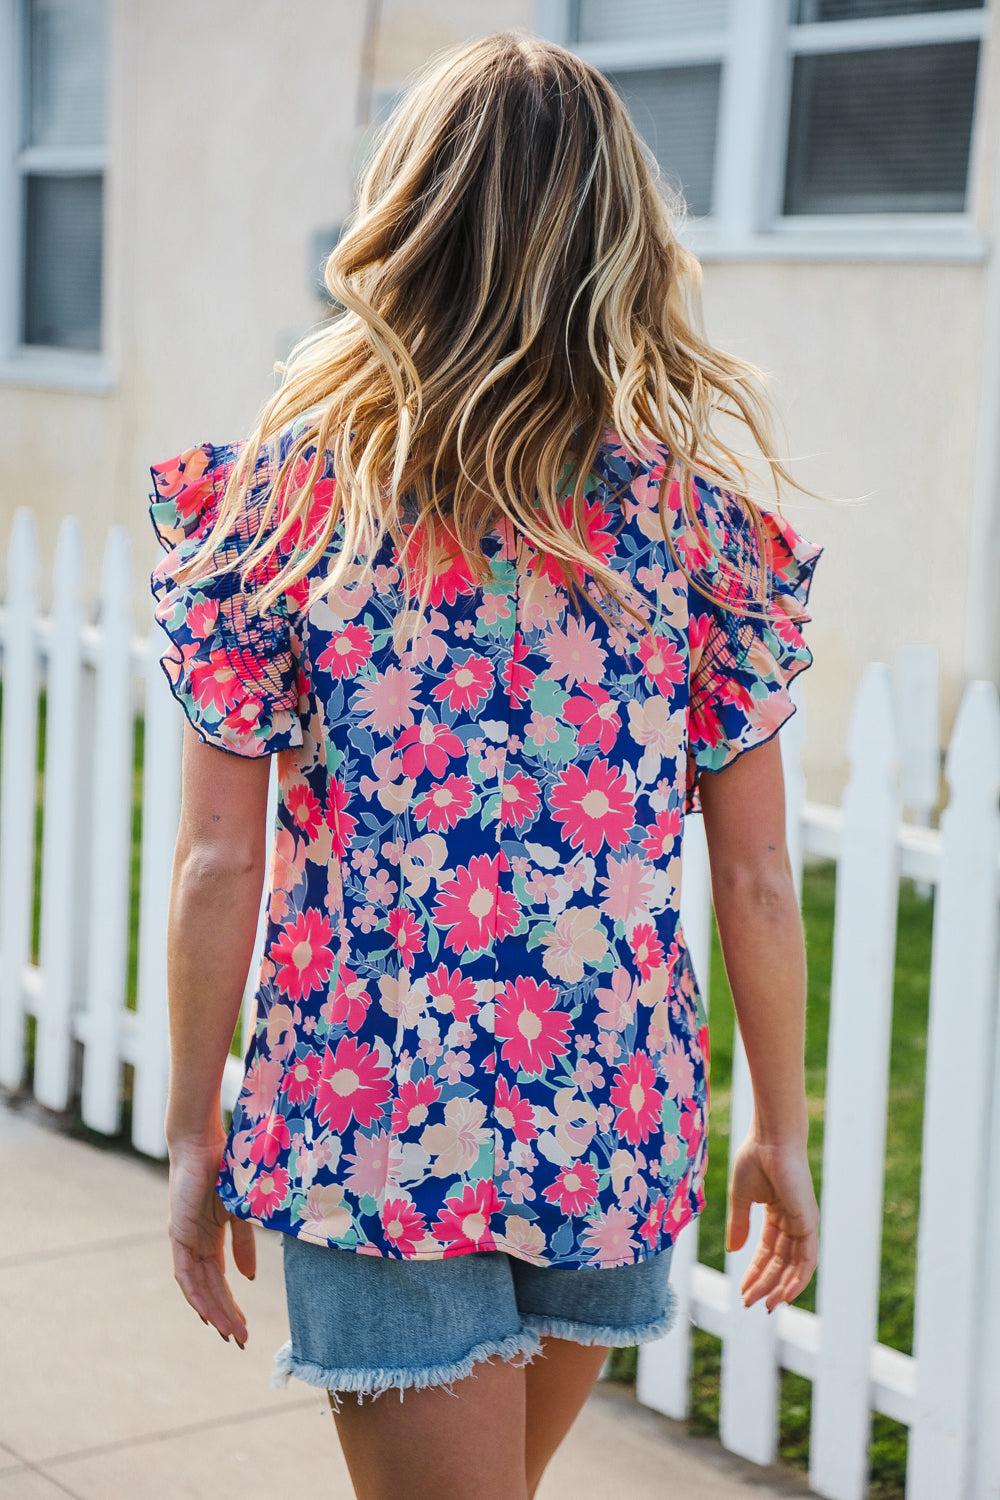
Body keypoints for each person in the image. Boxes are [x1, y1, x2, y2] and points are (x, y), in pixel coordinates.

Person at [150, 31, 821, 1500]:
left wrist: (194, 1123)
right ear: (621, 240)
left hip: (370, 1124)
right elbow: (761, 873)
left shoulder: (284, 511)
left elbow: (218, 860)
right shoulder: (700, 537)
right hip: (608, 1122)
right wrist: (778, 1126)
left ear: (407, 221)